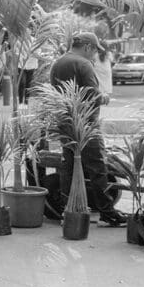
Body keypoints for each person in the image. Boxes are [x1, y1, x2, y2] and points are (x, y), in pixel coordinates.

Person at [49, 32, 125, 227]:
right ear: (88, 47)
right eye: (94, 50)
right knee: (97, 168)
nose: (95, 55)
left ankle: (68, 210)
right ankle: (107, 213)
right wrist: (104, 98)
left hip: (66, 123)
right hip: (86, 125)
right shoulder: (83, 64)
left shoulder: (58, 63)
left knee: (69, 167)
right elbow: (92, 95)